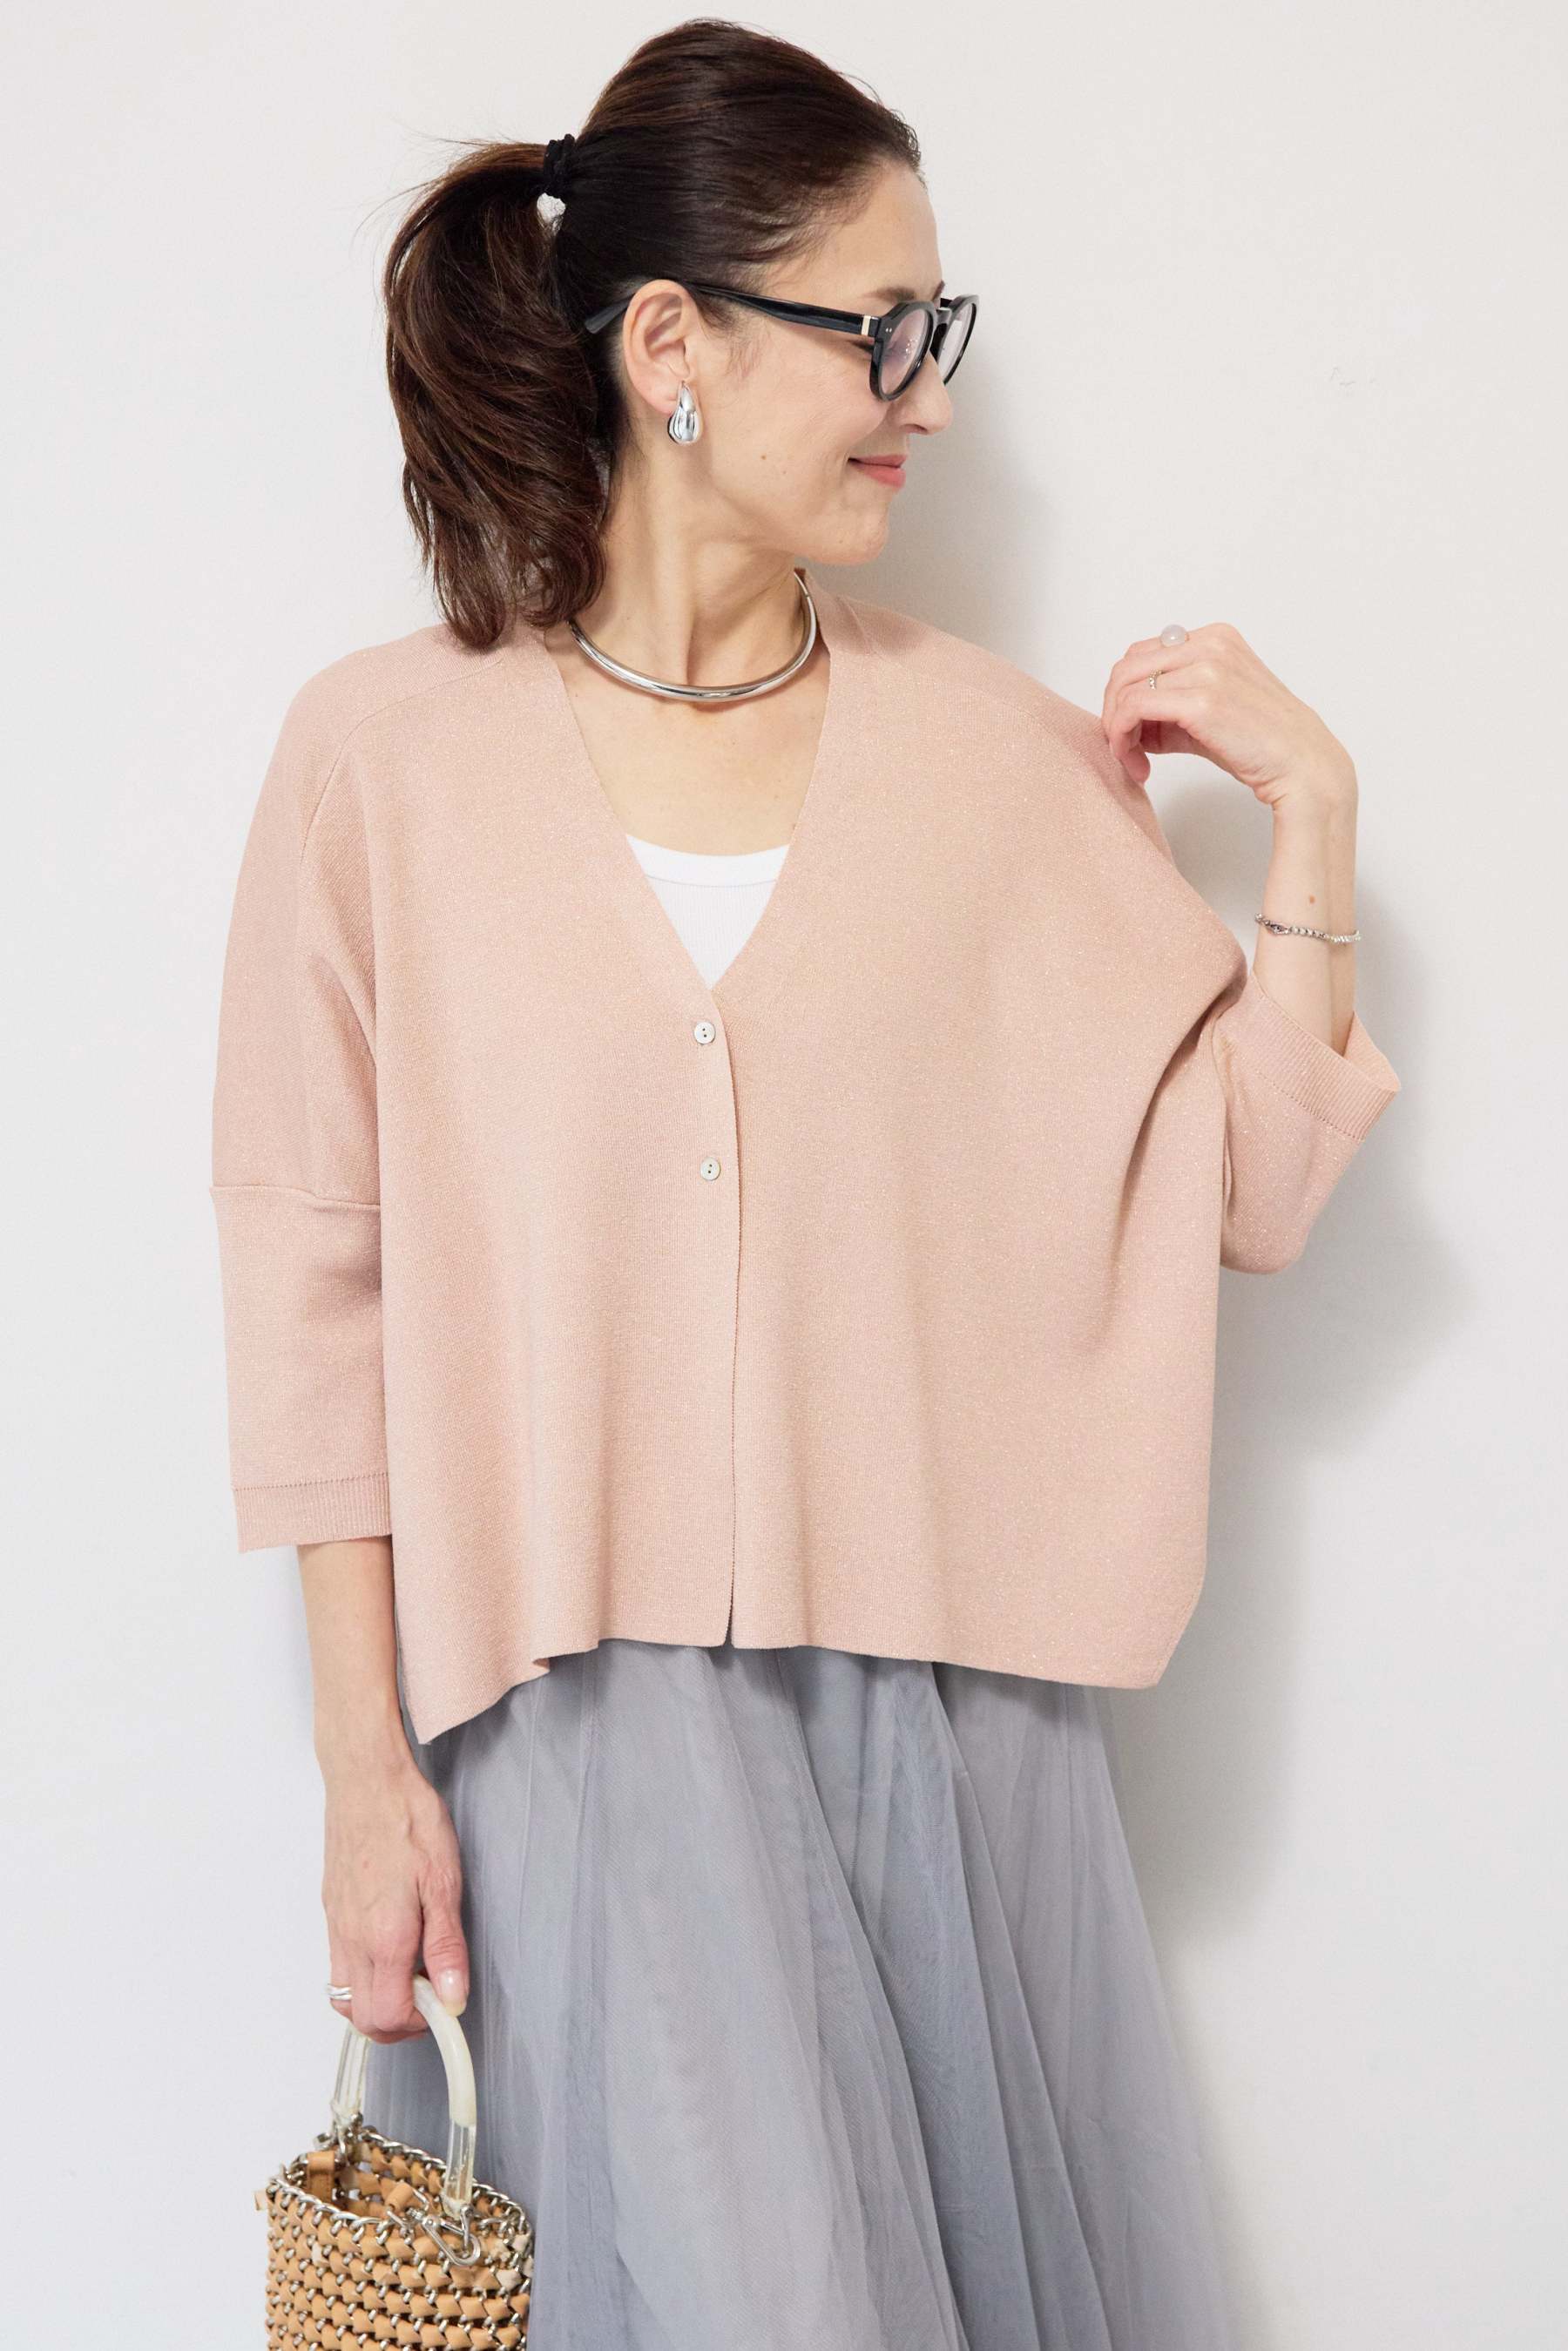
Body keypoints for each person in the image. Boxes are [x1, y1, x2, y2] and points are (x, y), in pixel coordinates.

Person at [207, 22, 1402, 2350]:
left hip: (946, 1744)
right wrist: (364, 1768)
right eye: (884, 328)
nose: (924, 395)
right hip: (584, 1736)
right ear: (672, 343)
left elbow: (1249, 1189)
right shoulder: (382, 763)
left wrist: (1315, 827)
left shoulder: (995, 760)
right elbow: (313, 1284)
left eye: (938, 331)